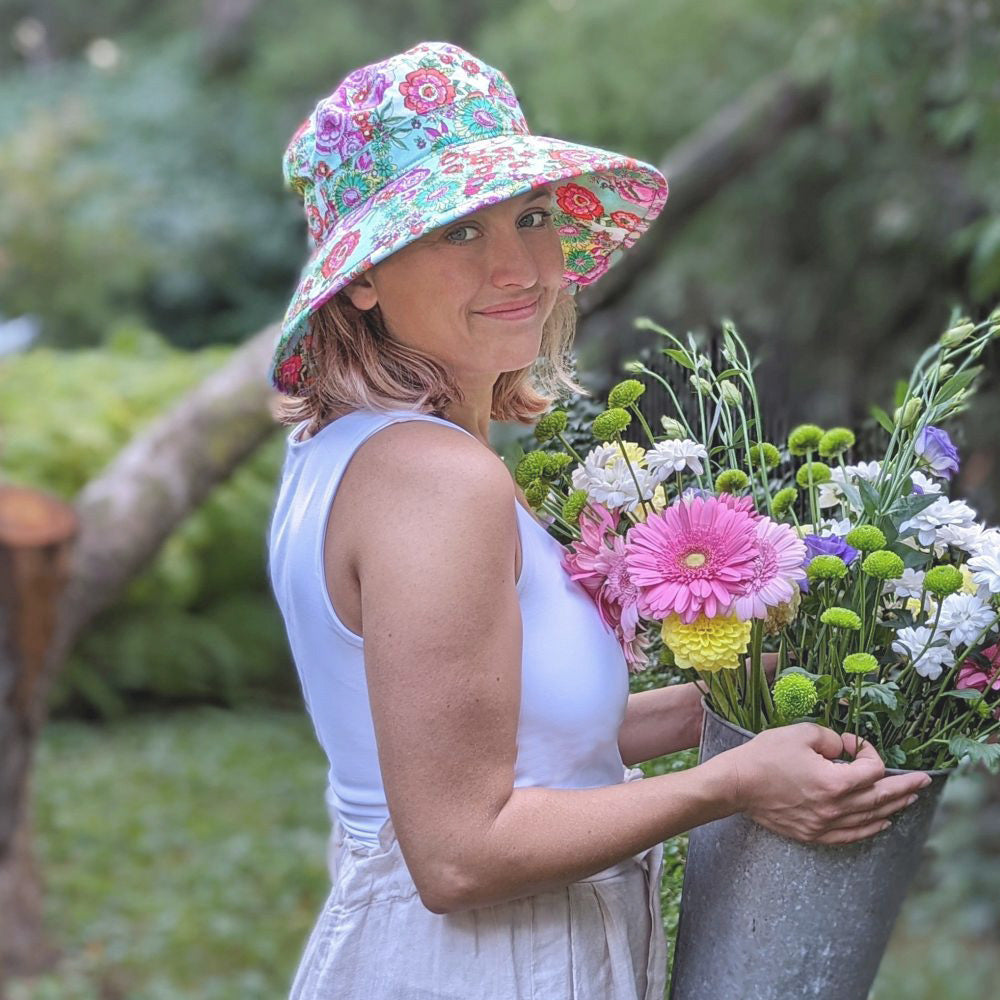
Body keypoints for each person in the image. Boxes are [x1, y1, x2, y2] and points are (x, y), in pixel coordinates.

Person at [265, 41, 932, 1000]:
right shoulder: (434, 480)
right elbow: (458, 855)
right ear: (362, 279)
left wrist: (757, 691)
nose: (518, 267)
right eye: (458, 231)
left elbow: (530, 742)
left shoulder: (350, 452)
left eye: (532, 217)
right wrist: (731, 784)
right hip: (488, 967)